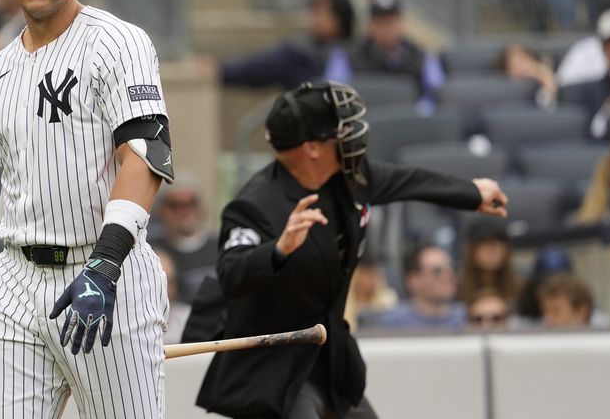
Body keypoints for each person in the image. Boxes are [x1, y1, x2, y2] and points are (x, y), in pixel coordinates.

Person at [193, 81, 508, 419]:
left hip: (331, 361)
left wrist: (471, 192)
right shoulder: (255, 204)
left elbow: (407, 181)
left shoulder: (348, 178)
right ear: (313, 148)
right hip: (273, 371)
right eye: (343, 131)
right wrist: (278, 250)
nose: (354, 136)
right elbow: (231, 273)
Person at [0, 0, 174, 418]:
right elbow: (16, 183)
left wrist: (105, 265)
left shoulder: (117, 41)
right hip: (18, 280)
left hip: (107, 270)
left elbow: (146, 154)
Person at [200, 0, 355, 89]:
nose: (314, 19)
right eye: (314, 12)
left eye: (321, 13)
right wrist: (222, 69)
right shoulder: (298, 52)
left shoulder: (359, 52)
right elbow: (259, 68)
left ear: (340, 19)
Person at [348, 0, 445, 110]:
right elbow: (337, 95)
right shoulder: (350, 56)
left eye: (392, 21)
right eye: (381, 22)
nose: (388, 28)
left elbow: (437, 94)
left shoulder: (422, 56)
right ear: (370, 25)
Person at [364, 245, 467, 331]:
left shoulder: (468, 317)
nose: (448, 276)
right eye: (437, 271)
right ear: (413, 280)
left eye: (451, 268)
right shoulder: (390, 324)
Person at [150, 175, 218, 303]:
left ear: (200, 208)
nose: (183, 211)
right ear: (161, 210)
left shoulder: (220, 246)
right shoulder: (151, 250)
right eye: (174, 205)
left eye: (190, 204)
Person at [457, 217, 522, 306]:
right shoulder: (456, 289)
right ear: (471, 251)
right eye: (486, 245)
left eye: (498, 245)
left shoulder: (519, 288)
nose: (492, 252)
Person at [343, 254, 398, 334]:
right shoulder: (345, 302)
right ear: (356, 276)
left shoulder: (389, 298)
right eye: (367, 275)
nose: (371, 280)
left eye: (374, 275)